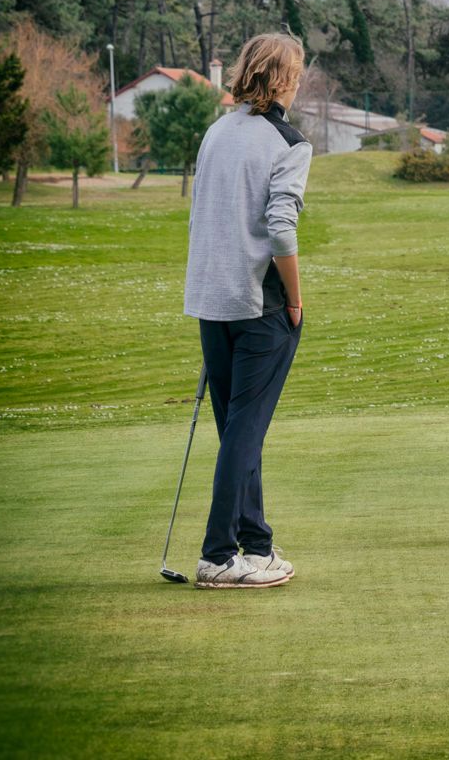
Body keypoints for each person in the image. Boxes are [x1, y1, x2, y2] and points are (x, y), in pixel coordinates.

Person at [184, 32, 311, 588]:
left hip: (212, 303)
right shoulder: (289, 141)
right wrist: (298, 299)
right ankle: (218, 554)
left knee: (238, 430)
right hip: (261, 306)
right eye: (297, 72)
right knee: (244, 431)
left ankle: (255, 544)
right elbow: (281, 230)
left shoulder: (215, 131)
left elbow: (203, 218)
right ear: (284, 79)